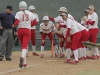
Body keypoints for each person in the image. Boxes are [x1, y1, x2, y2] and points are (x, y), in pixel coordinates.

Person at [12, 1, 37, 68]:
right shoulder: (30, 13)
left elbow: (17, 22)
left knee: (23, 46)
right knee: (25, 46)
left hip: (20, 30)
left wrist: (13, 26)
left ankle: (25, 63)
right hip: (27, 30)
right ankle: (22, 57)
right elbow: (35, 22)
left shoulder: (18, 13)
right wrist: (29, 24)